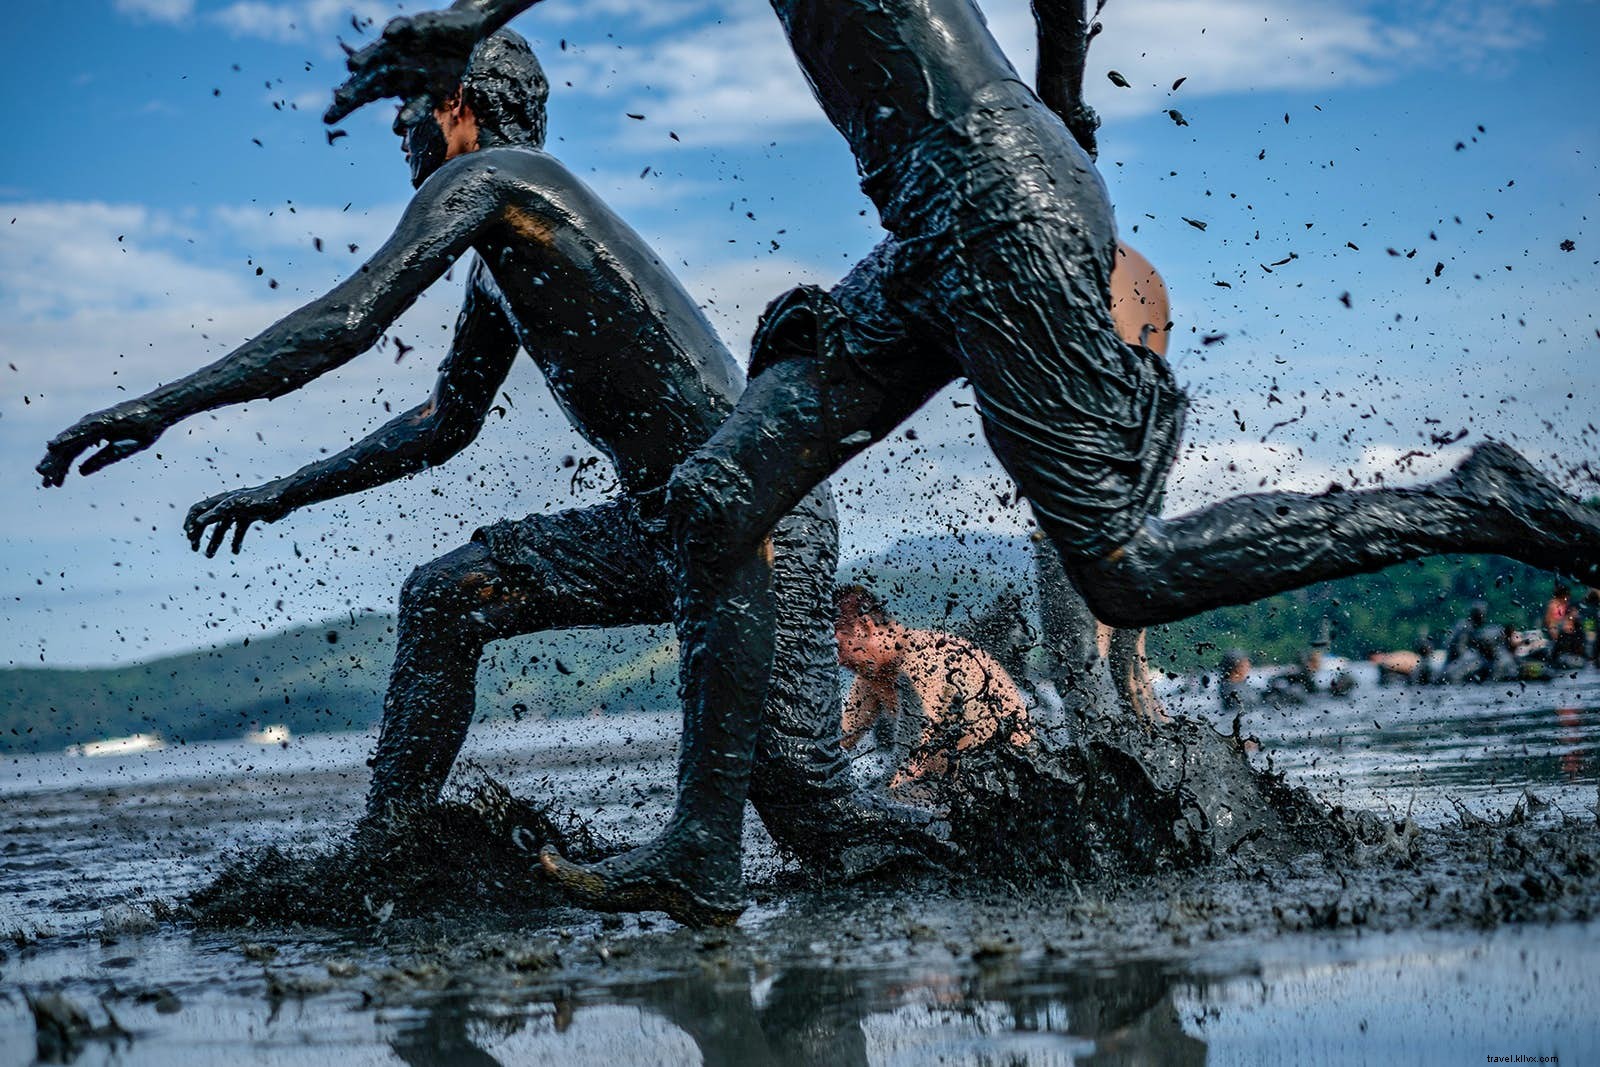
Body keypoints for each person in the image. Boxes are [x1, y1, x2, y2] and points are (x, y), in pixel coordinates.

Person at [328, 0, 1598, 924]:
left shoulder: (494, 168)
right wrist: (1062, 98)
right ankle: (702, 854)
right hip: (934, 217)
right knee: (713, 494)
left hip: (987, 202)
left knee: (1124, 573)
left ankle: (1475, 499)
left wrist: (463, 24)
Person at [36, 31, 940, 897]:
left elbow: (349, 321)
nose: (401, 139)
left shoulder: (496, 181)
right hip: (664, 521)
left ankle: (1000, 845)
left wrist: (164, 405)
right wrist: (283, 492)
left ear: (457, 107)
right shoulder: (502, 256)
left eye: (409, 119)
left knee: (809, 811)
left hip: (760, 507)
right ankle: (384, 857)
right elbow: (441, 422)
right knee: (444, 596)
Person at [834, 584, 1031, 792]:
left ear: (864, 627)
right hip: (957, 786)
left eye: (839, 646)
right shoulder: (872, 674)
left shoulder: (924, 657)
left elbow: (912, 760)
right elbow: (838, 743)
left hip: (1008, 785)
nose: (837, 660)